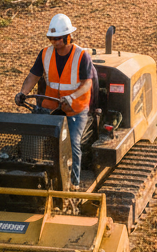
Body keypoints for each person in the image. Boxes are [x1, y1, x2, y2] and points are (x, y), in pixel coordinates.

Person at [15, 13, 97, 189]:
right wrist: (23, 92)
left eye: (58, 39)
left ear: (68, 36)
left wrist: (71, 96)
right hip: (51, 106)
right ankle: (34, 176)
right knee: (35, 138)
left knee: (72, 143)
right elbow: (33, 76)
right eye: (51, 39)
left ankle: (73, 185)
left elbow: (86, 84)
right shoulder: (45, 53)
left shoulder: (82, 55)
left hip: (75, 108)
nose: (54, 42)